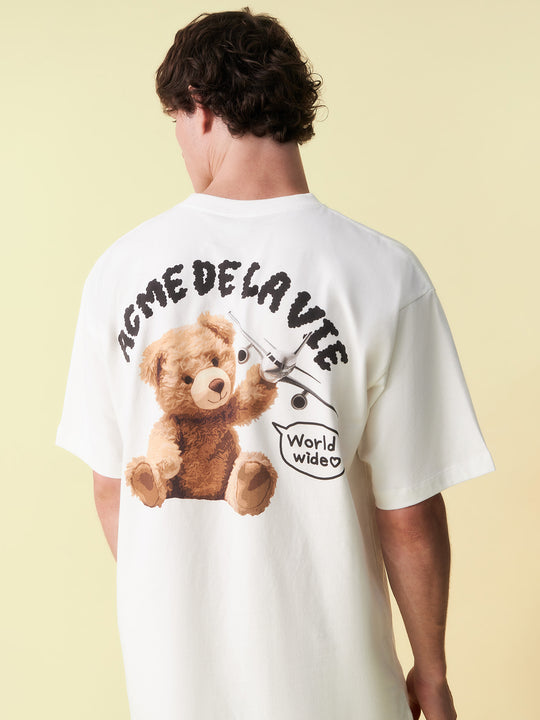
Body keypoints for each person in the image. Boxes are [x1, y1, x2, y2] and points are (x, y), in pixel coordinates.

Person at [55, 7, 495, 720]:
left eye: (177, 122)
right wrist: (433, 673)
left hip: (174, 686)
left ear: (199, 109)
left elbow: (112, 487)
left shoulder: (118, 270)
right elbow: (409, 511)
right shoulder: (384, 274)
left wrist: (175, 603)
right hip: (339, 686)